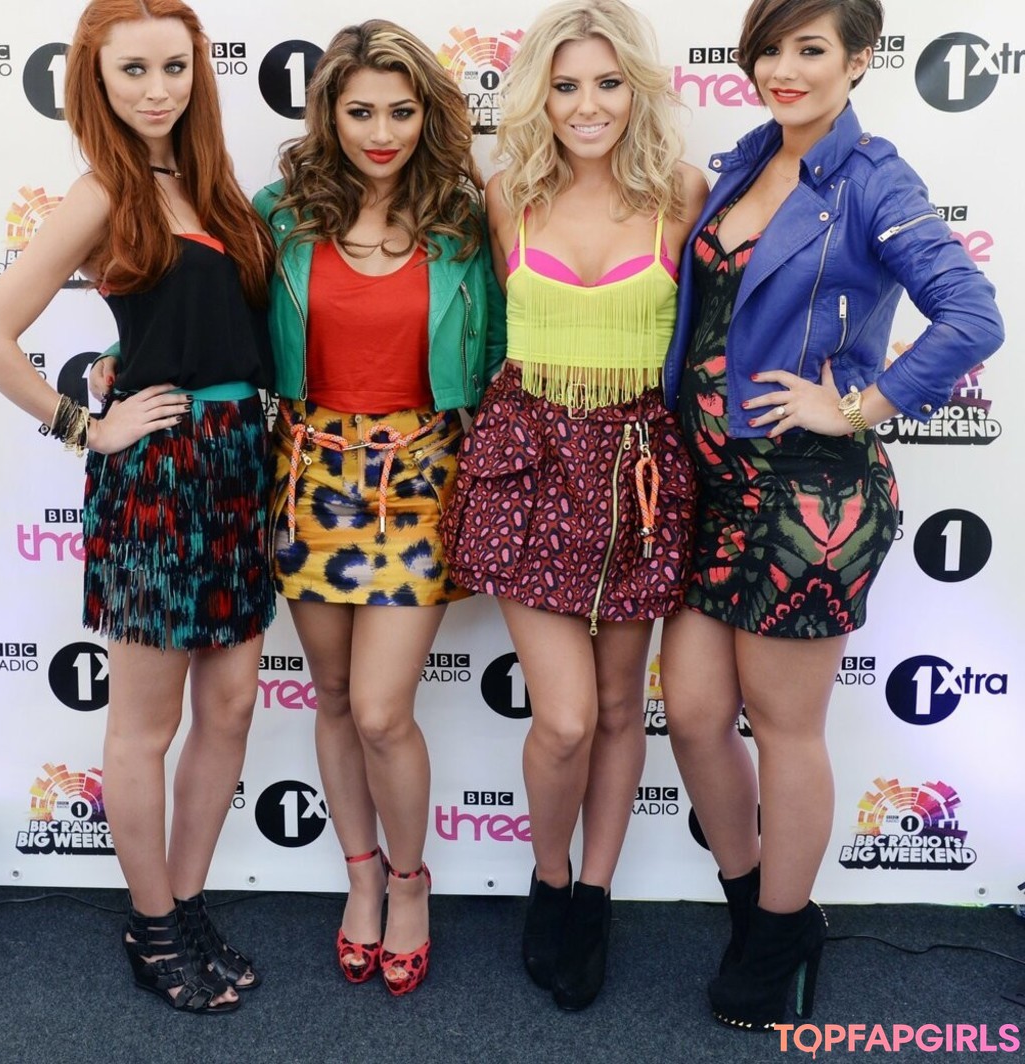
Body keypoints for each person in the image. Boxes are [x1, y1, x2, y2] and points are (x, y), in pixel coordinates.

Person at [656, 0, 1004, 1031]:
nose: (784, 67)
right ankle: (754, 906)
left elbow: (972, 315)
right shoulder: (745, 160)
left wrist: (855, 405)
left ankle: (777, 933)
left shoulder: (874, 178)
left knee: (784, 727)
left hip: (810, 497)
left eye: (810, 48)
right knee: (694, 715)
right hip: (713, 484)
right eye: (770, 47)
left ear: (858, 60)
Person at [0, 0, 276, 1015]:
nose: (157, 89)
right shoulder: (104, 191)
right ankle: (151, 923)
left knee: (230, 706)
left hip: (241, 463)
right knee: (146, 725)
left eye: (173, 67)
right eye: (132, 70)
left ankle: (185, 902)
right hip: (159, 477)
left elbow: (213, 316)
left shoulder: (212, 183)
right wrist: (85, 426)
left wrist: (118, 356)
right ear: (95, 79)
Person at [441, 0, 705, 1011]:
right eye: (564, 86)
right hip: (531, 464)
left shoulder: (683, 192)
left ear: (635, 89)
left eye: (605, 82)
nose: (587, 104)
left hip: (640, 469)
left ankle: (593, 894)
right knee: (563, 718)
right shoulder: (507, 193)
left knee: (618, 704)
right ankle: (548, 881)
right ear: (538, 97)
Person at [252, 20, 505, 996]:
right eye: (361, 111)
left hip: (420, 478)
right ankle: (360, 878)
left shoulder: (464, 220)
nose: (382, 132)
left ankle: (409, 881)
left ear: (428, 115)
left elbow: (505, 344)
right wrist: (120, 360)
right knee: (331, 696)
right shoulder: (282, 214)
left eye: (401, 111)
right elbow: (213, 311)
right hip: (307, 473)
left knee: (381, 709)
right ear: (330, 114)